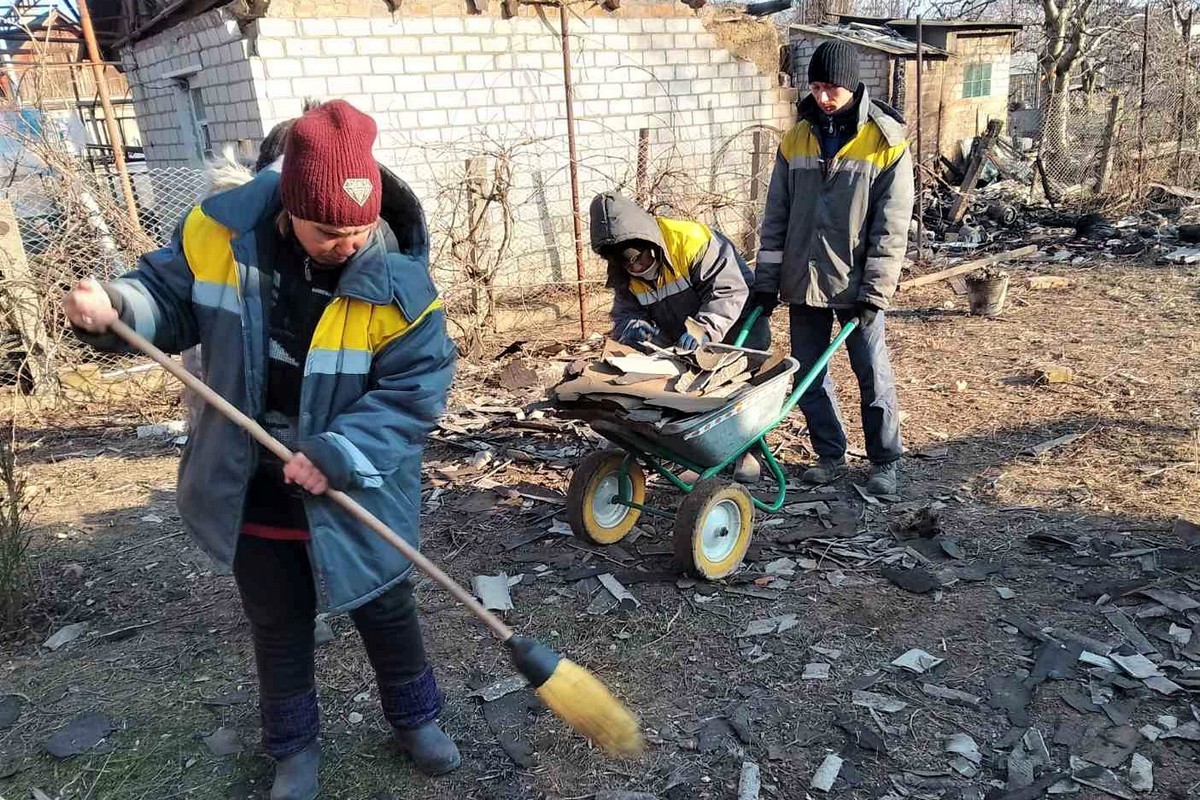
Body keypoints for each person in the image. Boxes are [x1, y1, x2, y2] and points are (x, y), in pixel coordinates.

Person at [63, 100, 459, 800]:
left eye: (359, 230)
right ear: (289, 208)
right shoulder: (219, 237)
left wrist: (337, 451)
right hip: (248, 474)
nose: (346, 245)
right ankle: (293, 748)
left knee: (384, 604)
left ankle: (415, 717)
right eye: (327, 231)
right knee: (277, 619)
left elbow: (415, 391)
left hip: (355, 481)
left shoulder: (401, 285)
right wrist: (117, 308)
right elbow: (164, 296)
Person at [754, 40, 914, 496]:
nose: (825, 97)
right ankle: (830, 454)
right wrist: (767, 283)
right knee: (806, 374)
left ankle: (884, 460)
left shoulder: (885, 142)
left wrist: (875, 291)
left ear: (853, 86)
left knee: (872, 374)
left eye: (834, 88)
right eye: (818, 86)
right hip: (802, 281)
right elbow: (776, 217)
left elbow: (891, 225)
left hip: (856, 284)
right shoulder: (797, 137)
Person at [589, 191, 771, 353]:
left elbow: (728, 291)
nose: (635, 268)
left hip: (736, 331)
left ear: (649, 244)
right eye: (626, 264)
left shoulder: (691, 242)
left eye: (637, 258)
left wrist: (703, 330)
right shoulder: (623, 274)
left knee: (744, 373)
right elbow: (625, 313)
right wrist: (632, 327)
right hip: (682, 346)